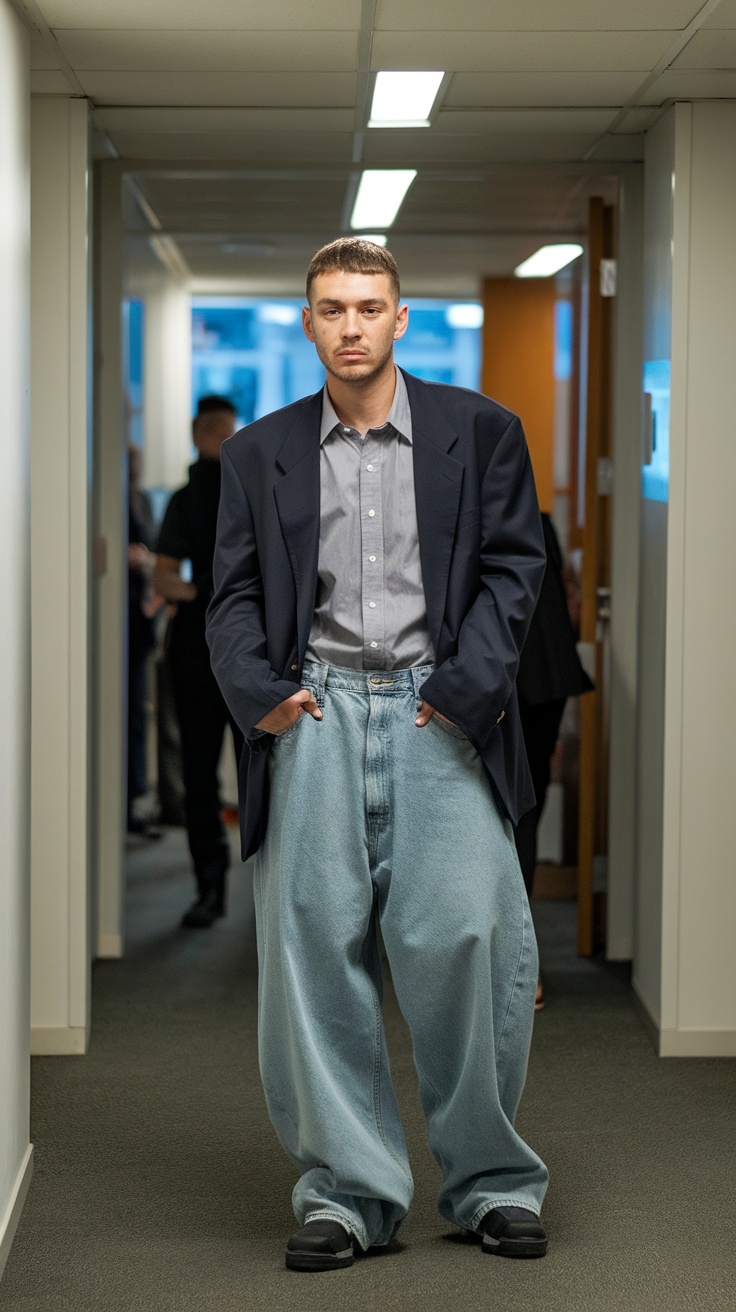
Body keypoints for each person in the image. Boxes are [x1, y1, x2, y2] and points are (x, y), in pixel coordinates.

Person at [206, 238, 549, 1270]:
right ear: (306, 322)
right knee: (314, 956)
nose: (350, 326)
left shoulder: (481, 431)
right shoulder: (258, 452)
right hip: (314, 712)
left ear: (402, 319)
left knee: (467, 945)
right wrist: (263, 701)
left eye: (368, 307)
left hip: (435, 714)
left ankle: (490, 1182)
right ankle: (349, 1193)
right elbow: (225, 598)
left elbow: (513, 569)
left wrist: (462, 694)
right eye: (329, 308)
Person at [153, 397, 243, 928]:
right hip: (219, 645)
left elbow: (165, 576)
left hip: (213, 642)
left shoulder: (224, 493)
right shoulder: (218, 494)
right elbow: (165, 574)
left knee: (212, 769)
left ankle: (214, 890)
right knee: (224, 769)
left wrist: (196, 593)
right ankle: (222, 888)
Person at [514, 513, 594, 1010]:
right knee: (525, 810)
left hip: (506, 679)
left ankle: (518, 968)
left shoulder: (456, 505)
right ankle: (522, 966)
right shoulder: (540, 519)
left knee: (507, 819)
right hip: (545, 677)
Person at [127, 444, 163, 838]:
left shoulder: (142, 502)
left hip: (141, 621)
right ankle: (126, 801)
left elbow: (157, 553)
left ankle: (136, 797)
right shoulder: (113, 499)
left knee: (138, 714)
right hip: (119, 620)